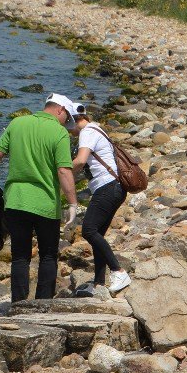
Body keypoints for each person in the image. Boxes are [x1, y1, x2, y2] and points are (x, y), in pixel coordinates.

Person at [0, 93, 78, 302]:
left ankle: (19, 303)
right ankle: (43, 302)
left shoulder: (17, 123)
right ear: (60, 110)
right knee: (48, 255)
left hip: (16, 201)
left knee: (20, 256)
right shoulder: (59, 133)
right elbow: (64, 171)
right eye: (67, 117)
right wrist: (73, 203)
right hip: (45, 203)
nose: (67, 122)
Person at [69, 105, 132, 296]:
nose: (67, 131)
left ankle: (118, 271)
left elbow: (80, 161)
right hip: (113, 186)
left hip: (107, 186)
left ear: (73, 120)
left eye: (66, 125)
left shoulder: (87, 132)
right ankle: (98, 283)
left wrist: (61, 174)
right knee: (97, 235)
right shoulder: (97, 128)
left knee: (88, 230)